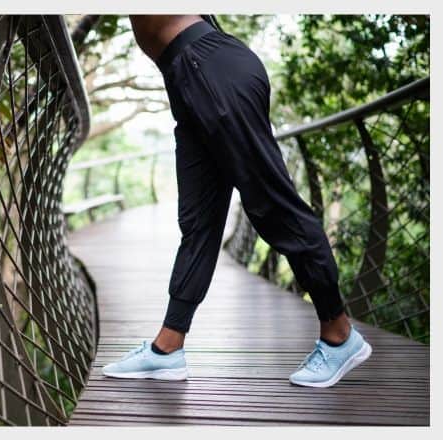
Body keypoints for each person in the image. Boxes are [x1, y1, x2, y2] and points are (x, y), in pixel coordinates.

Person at [101, 15, 372, 387]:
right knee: (198, 223)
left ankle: (339, 333)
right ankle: (167, 349)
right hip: (186, 77)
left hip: (210, 67)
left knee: (272, 206)